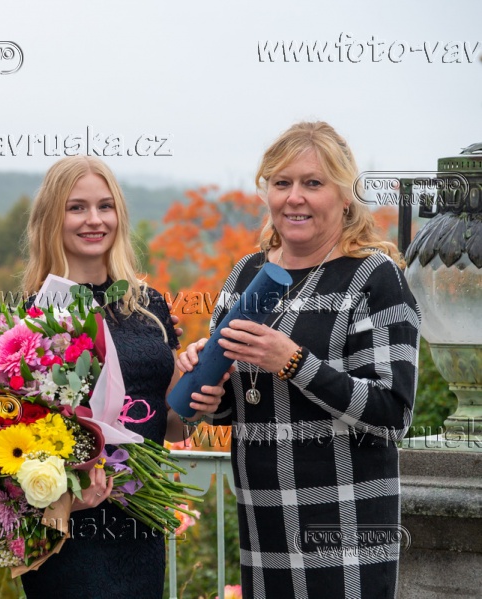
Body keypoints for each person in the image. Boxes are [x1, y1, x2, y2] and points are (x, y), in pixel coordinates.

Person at [178, 121, 421, 599]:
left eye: (313, 183)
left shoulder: (374, 277)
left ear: (345, 196)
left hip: (346, 530)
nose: (295, 198)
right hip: (264, 526)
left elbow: (393, 412)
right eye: (282, 182)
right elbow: (238, 406)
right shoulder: (246, 274)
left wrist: (293, 362)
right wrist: (208, 389)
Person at [18, 156, 226, 599]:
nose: (94, 220)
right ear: (51, 218)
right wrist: (70, 491)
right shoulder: (34, 314)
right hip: (72, 523)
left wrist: (198, 401)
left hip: (140, 521)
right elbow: (16, 436)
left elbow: (170, 425)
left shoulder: (148, 305)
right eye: (77, 208)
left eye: (105, 206)